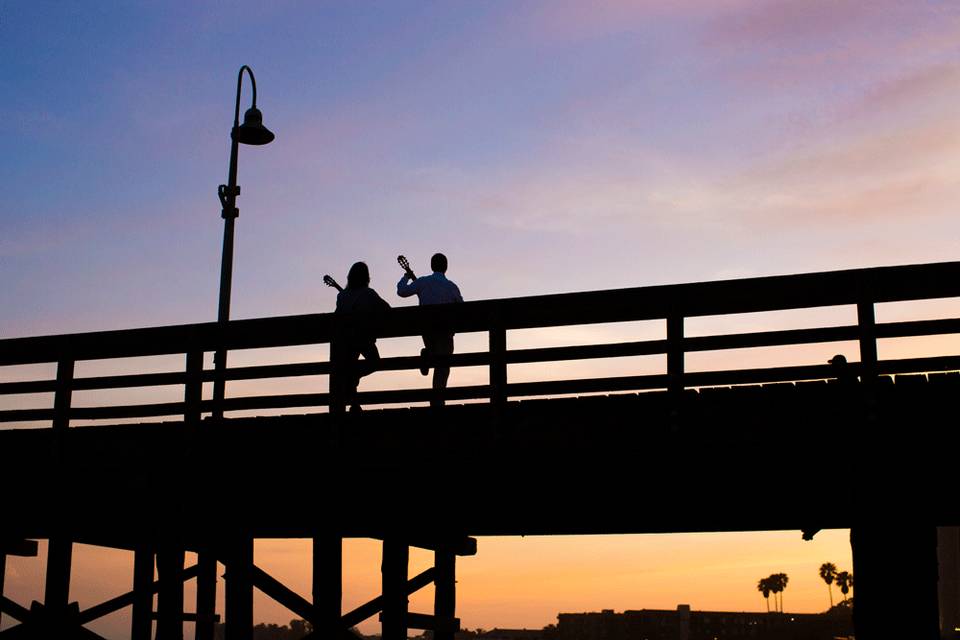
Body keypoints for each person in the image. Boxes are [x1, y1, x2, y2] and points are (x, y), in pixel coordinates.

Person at [397, 253, 463, 407]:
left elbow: (402, 291)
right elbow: (462, 308)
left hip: (427, 332)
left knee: (436, 357)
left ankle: (428, 354)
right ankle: (438, 401)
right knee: (443, 366)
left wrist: (406, 276)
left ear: (432, 266)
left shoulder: (423, 282)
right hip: (445, 333)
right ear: (446, 268)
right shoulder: (452, 287)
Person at [334, 261, 390, 412]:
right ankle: (355, 378)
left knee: (348, 366)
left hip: (344, 341)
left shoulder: (342, 296)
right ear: (367, 277)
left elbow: (337, 316)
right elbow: (387, 309)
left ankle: (354, 404)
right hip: (363, 338)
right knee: (375, 362)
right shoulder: (368, 293)